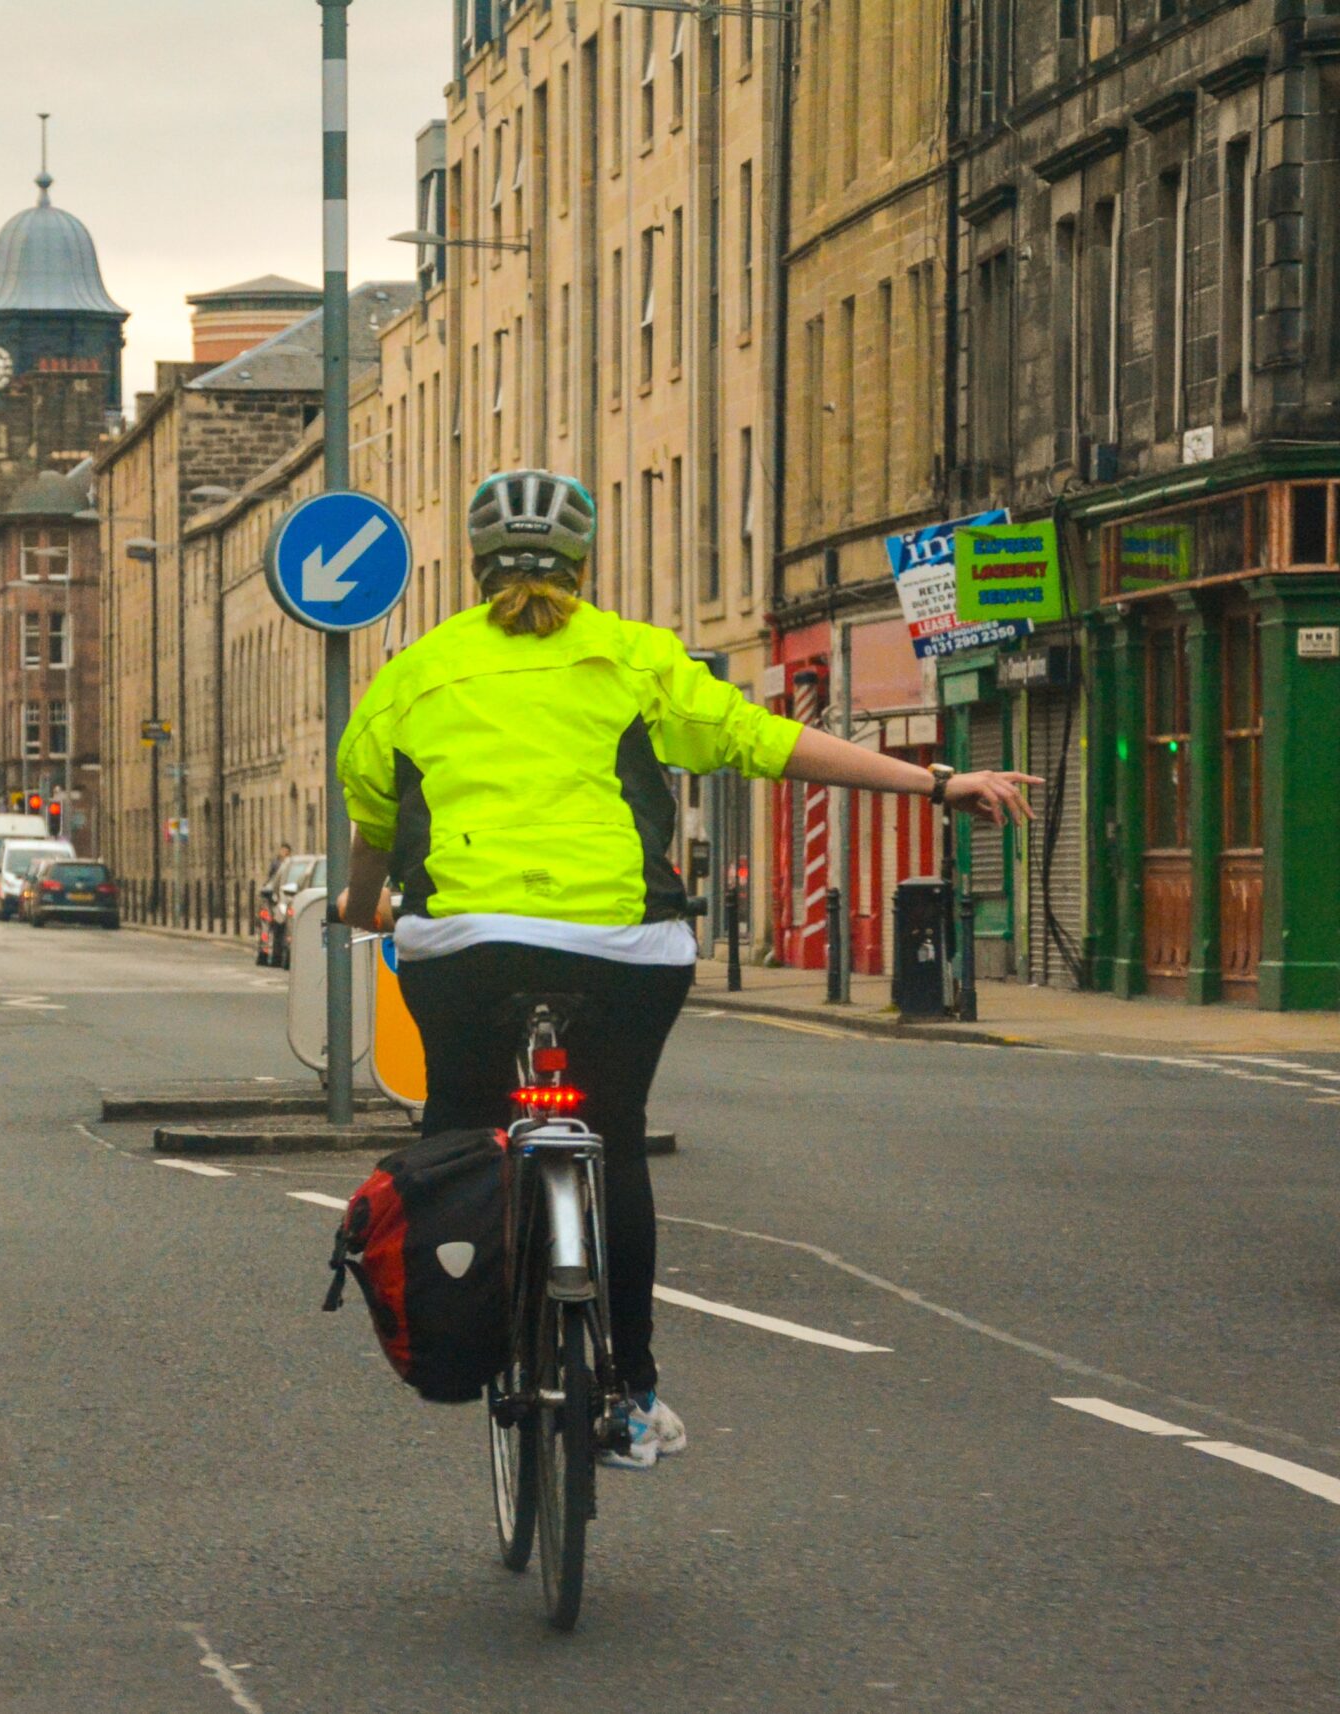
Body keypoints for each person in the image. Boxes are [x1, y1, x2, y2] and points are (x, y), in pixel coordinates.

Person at [335, 469, 1038, 1470]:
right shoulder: (636, 656)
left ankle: (474, 1323)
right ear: (583, 564)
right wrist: (936, 781)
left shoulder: (413, 673)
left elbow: (374, 817)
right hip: (626, 947)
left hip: (465, 945)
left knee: (458, 1133)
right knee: (613, 1138)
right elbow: (768, 742)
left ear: (474, 566)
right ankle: (628, 1393)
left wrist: (360, 905)